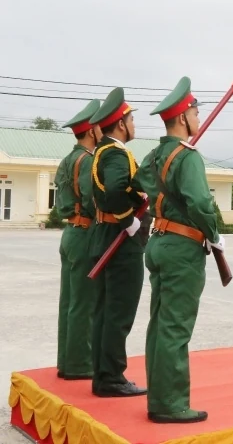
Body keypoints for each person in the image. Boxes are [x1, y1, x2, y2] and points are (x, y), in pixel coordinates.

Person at [131, 76, 223, 423]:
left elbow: (139, 181)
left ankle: (159, 397)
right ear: (183, 118)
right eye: (196, 112)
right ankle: (169, 404)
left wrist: (158, 201)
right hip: (183, 246)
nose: (199, 118)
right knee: (175, 327)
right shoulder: (188, 157)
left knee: (160, 324)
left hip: (157, 242)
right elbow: (200, 201)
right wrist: (214, 234)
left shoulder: (156, 155)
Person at [88, 87, 150, 397]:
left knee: (104, 310)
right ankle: (112, 377)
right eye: (131, 119)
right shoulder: (115, 153)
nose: (134, 124)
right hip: (119, 240)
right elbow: (115, 189)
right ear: (122, 124)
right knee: (118, 312)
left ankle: (102, 374)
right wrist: (130, 221)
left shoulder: (101, 151)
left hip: (105, 235)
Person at [55, 99, 102, 380]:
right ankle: (80, 364)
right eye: (98, 127)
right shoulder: (87, 162)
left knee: (69, 302)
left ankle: (66, 361)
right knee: (84, 303)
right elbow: (91, 199)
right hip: (85, 233)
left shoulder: (67, 160)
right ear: (90, 131)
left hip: (70, 233)